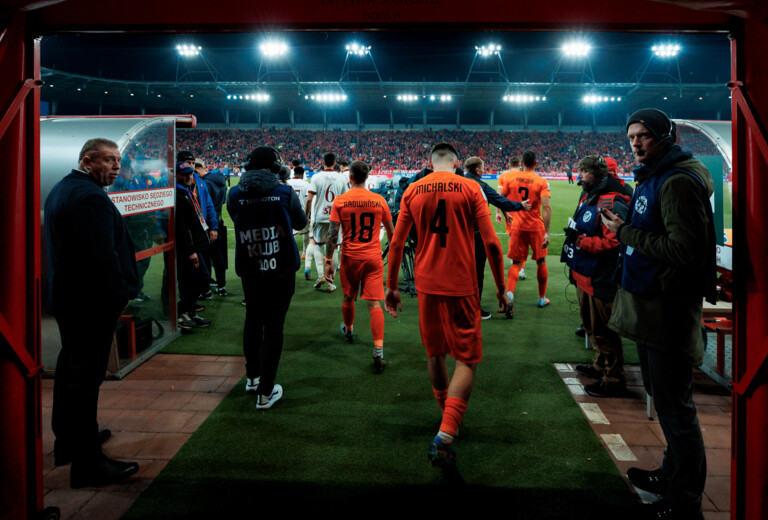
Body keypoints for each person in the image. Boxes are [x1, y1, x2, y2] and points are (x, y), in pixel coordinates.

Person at [601, 108, 717, 520]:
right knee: (668, 405)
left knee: (676, 410)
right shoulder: (658, 175)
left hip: (667, 311)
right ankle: (671, 474)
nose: (635, 142)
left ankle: (685, 502)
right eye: (631, 136)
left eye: (644, 135)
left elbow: (687, 251)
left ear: (664, 136)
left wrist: (624, 232)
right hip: (653, 307)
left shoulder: (677, 181)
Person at [385, 143, 510, 482]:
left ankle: (447, 416)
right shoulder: (471, 187)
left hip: (425, 284)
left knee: (434, 352)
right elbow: (492, 243)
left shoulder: (412, 189)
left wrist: (392, 285)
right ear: (456, 163)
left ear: (431, 163)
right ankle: (445, 434)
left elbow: (397, 243)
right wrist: (501, 287)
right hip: (462, 285)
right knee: (466, 359)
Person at [45, 138, 140, 488]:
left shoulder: (65, 188)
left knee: (71, 371)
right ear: (87, 161)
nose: (116, 166)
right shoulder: (89, 197)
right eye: (108, 160)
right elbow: (102, 258)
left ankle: (69, 442)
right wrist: (119, 296)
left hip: (71, 300)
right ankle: (87, 465)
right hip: (90, 304)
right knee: (85, 381)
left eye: (118, 160)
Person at [228, 146, 307, 410]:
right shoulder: (283, 191)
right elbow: (300, 222)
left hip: (250, 268)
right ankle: (265, 392)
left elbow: (235, 218)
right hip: (280, 268)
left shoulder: (235, 193)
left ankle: (253, 379)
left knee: (253, 319)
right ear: (274, 168)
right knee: (274, 326)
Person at [561, 155, 630, 397]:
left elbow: (614, 242)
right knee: (591, 326)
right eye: (579, 170)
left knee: (604, 330)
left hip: (601, 278)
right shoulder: (590, 196)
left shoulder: (610, 201)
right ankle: (600, 365)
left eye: (584, 171)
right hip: (585, 274)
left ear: (599, 174)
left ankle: (614, 379)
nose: (579, 175)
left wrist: (580, 240)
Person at [324, 161, 395, 373]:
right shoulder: (378, 199)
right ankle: (379, 351)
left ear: (351, 177)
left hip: (350, 258)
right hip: (373, 259)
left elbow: (332, 235)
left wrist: (328, 262)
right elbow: (392, 234)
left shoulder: (341, 201)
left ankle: (349, 330)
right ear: (367, 177)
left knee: (348, 297)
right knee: (374, 305)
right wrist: (393, 252)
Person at [464, 156, 530, 319]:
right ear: (477, 170)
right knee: (477, 271)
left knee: (462, 270)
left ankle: (462, 304)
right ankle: (475, 308)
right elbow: (500, 201)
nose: (484, 170)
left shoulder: (458, 181)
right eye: (483, 167)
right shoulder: (480, 185)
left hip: (458, 235)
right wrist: (519, 205)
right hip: (476, 234)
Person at [500, 150, 552, 315]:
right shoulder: (541, 181)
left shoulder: (511, 178)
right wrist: (547, 232)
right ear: (536, 163)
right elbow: (546, 207)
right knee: (541, 261)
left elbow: (499, 197)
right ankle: (541, 298)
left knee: (516, 263)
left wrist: (505, 212)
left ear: (521, 163)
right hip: (536, 227)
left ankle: (509, 295)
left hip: (517, 226)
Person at [175, 165, 212, 330]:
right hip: (188, 249)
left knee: (197, 280)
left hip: (196, 245)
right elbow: (181, 226)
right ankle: (183, 313)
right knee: (189, 281)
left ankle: (189, 311)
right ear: (176, 175)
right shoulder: (178, 195)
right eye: (184, 174)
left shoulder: (187, 192)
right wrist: (190, 250)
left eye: (190, 173)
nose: (189, 176)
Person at [178, 150, 218, 301]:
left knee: (197, 268)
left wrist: (213, 226)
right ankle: (178, 307)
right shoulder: (173, 183)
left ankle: (192, 303)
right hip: (184, 233)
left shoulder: (199, 181)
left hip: (200, 230)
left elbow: (208, 205)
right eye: (187, 164)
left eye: (193, 164)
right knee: (182, 271)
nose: (191, 167)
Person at [304, 152, 348, 291]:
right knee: (334, 247)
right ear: (335, 163)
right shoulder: (341, 178)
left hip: (319, 217)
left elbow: (309, 198)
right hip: (336, 217)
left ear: (322, 162)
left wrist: (306, 215)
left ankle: (321, 275)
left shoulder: (316, 177)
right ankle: (330, 282)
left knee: (317, 244)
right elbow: (345, 199)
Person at [198, 158, 229, 297]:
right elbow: (223, 201)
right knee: (218, 255)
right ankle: (221, 285)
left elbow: (204, 205)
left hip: (208, 222)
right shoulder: (220, 181)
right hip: (218, 220)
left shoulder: (205, 183)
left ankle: (205, 289)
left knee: (205, 255)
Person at [496, 155, 527, 281]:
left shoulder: (503, 176)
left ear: (508, 164)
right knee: (523, 240)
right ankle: (521, 269)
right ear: (520, 164)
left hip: (509, 210)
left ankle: (514, 260)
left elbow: (499, 196)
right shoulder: (525, 176)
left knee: (511, 236)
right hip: (523, 210)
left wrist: (498, 212)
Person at [287, 166, 312, 279]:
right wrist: (308, 214)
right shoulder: (306, 184)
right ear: (302, 174)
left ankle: (288, 254)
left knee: (288, 233)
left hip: (288, 212)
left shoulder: (287, 182)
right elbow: (308, 200)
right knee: (307, 232)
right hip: (301, 212)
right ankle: (304, 252)